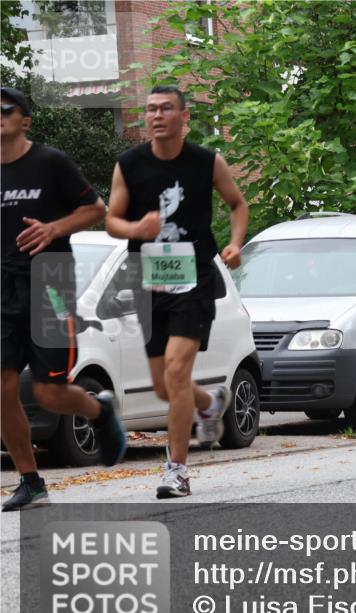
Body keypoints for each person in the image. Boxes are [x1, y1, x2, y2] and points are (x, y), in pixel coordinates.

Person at [105, 86, 248, 498]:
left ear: (184, 117)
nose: (157, 115)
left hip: (194, 277)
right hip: (148, 279)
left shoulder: (207, 162)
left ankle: (176, 471)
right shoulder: (129, 165)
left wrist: (236, 243)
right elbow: (112, 220)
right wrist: (136, 230)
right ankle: (208, 402)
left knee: (176, 370)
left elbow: (237, 204)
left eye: (167, 109)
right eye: (151, 109)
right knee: (165, 387)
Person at [1, 87, 127, 511]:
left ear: (25, 120)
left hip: (49, 282)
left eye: (6, 110)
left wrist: (54, 229)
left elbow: (96, 209)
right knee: (1, 388)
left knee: (50, 392)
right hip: (3, 286)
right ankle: (30, 481)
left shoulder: (50, 162)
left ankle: (98, 410)